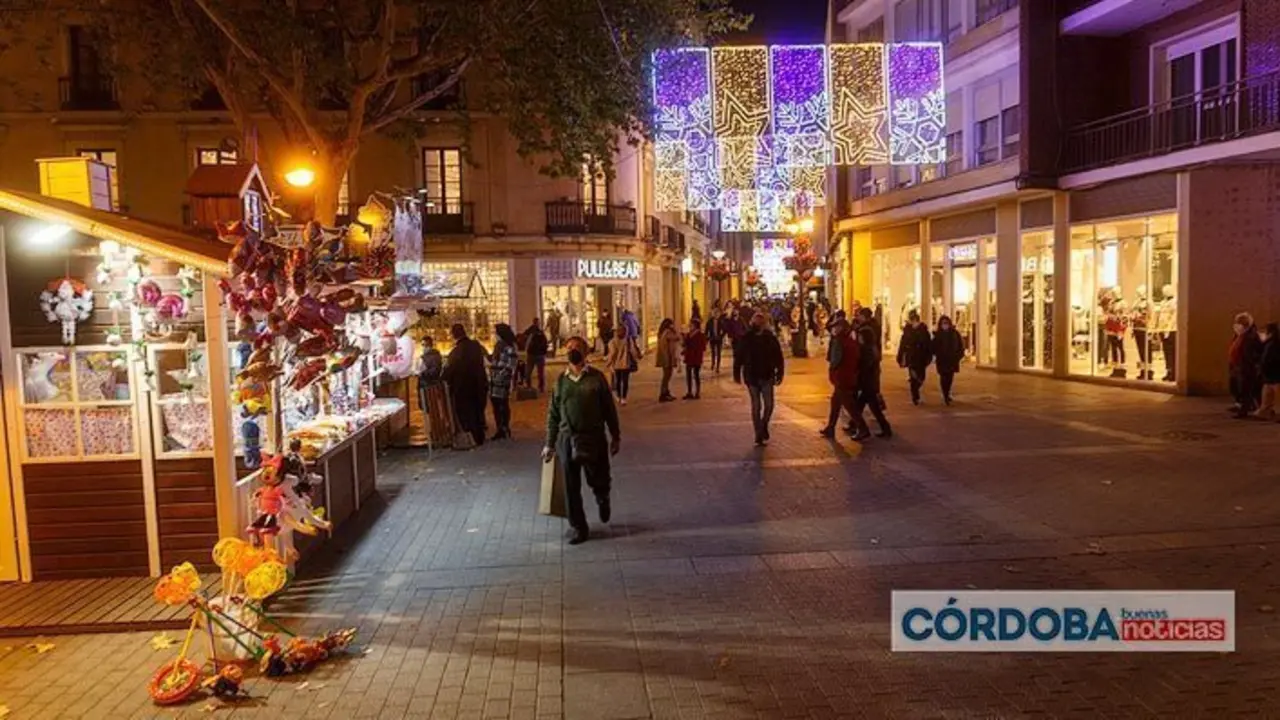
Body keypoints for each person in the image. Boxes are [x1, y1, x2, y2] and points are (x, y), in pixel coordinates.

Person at [542, 336, 621, 545]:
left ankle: (602, 497)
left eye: (576, 348)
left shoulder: (596, 378)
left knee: (598, 477)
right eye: (568, 348)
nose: (572, 351)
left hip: (593, 437)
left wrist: (615, 436)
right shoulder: (560, 382)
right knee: (570, 486)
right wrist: (549, 443)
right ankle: (579, 526)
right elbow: (553, 414)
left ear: (586, 352)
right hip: (568, 439)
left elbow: (609, 410)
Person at [740, 312, 785, 446]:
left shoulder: (770, 338)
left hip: (767, 375)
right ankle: (758, 433)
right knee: (756, 406)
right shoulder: (747, 338)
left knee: (769, 405)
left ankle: (763, 425)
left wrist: (780, 372)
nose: (759, 324)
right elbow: (740, 355)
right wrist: (737, 371)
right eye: (756, 322)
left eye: (761, 322)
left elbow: (778, 356)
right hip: (752, 376)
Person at [442, 324, 489, 447]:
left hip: (463, 387)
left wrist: (444, 378)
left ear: (454, 335)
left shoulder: (457, 351)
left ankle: (471, 437)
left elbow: (449, 370)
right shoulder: (475, 346)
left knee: (466, 413)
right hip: (478, 384)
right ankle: (480, 436)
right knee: (478, 410)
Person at [851, 307, 892, 440]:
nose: (859, 339)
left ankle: (862, 429)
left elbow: (865, 368)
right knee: (867, 407)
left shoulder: (868, 351)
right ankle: (882, 428)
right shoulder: (871, 349)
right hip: (869, 384)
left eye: (861, 337)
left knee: (863, 407)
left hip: (868, 384)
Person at [820, 317, 859, 439]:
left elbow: (836, 360)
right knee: (836, 402)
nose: (833, 329)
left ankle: (862, 427)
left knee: (849, 405)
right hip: (848, 374)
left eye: (836, 327)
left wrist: (832, 370)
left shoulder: (839, 341)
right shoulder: (850, 340)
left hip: (841, 376)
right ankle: (830, 427)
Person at [1229, 312, 1264, 418]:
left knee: (1248, 389)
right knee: (1247, 389)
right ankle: (1253, 407)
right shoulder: (1242, 335)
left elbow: (1253, 353)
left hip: (1248, 367)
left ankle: (1246, 410)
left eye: (1240, 323)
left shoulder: (1251, 336)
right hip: (1242, 366)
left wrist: (1252, 365)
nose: (1237, 325)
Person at [487, 324, 519, 440]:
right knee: (496, 404)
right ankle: (500, 428)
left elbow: (511, 364)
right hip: (494, 378)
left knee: (502, 403)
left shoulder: (508, 347)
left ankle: (504, 427)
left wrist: (500, 373)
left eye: (495, 332)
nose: (494, 335)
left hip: (501, 379)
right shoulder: (498, 346)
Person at [897, 310, 934, 406]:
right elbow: (903, 344)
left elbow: (928, 345)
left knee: (921, 377)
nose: (912, 323)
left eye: (913, 321)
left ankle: (916, 390)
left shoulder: (924, 331)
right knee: (913, 377)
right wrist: (900, 356)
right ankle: (915, 396)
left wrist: (929, 356)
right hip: (911, 356)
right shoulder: (907, 331)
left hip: (921, 357)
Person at [932, 315, 964, 406]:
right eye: (943, 323)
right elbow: (933, 347)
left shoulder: (954, 333)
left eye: (946, 323)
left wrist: (958, 356)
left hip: (951, 360)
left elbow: (960, 345)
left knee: (949, 378)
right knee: (943, 377)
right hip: (942, 360)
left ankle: (947, 392)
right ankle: (945, 394)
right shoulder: (938, 335)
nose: (945, 325)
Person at [604, 326, 639, 406]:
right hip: (626, 364)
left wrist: (608, 363)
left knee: (618, 381)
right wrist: (635, 358)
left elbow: (612, 353)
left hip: (616, 365)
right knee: (625, 381)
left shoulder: (612, 342)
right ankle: (624, 398)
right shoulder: (628, 340)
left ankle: (619, 396)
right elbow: (633, 351)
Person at [1255, 322, 1280, 420]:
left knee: (1273, 396)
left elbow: (1269, 359)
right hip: (1271, 375)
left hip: (1274, 374)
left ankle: (1270, 413)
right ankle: (1265, 412)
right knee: (1268, 395)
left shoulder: (1273, 343)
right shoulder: (1270, 342)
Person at [655, 318, 680, 402]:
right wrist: (675, 330)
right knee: (667, 376)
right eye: (672, 324)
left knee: (667, 376)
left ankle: (666, 392)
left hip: (666, 357)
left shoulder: (663, 332)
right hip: (667, 357)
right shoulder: (668, 332)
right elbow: (677, 337)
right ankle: (663, 393)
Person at [682, 319, 708, 400]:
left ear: (696, 326)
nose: (690, 326)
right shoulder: (688, 334)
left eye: (691, 325)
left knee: (696, 375)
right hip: (689, 357)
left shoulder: (700, 335)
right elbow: (685, 344)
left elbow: (703, 347)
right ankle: (689, 392)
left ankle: (697, 392)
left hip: (696, 357)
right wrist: (684, 337)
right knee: (688, 375)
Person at [524, 318, 549, 393]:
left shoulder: (529, 331)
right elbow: (545, 343)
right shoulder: (539, 332)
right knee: (539, 372)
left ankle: (530, 386)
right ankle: (540, 387)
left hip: (533, 354)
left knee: (529, 372)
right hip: (537, 355)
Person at [705, 309, 725, 373]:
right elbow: (706, 331)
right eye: (715, 313)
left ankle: (718, 367)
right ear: (713, 314)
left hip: (719, 339)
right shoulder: (709, 321)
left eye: (718, 314)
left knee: (719, 353)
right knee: (713, 352)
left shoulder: (721, 321)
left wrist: (721, 336)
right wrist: (707, 338)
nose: (716, 315)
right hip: (712, 339)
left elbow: (724, 330)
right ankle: (713, 363)